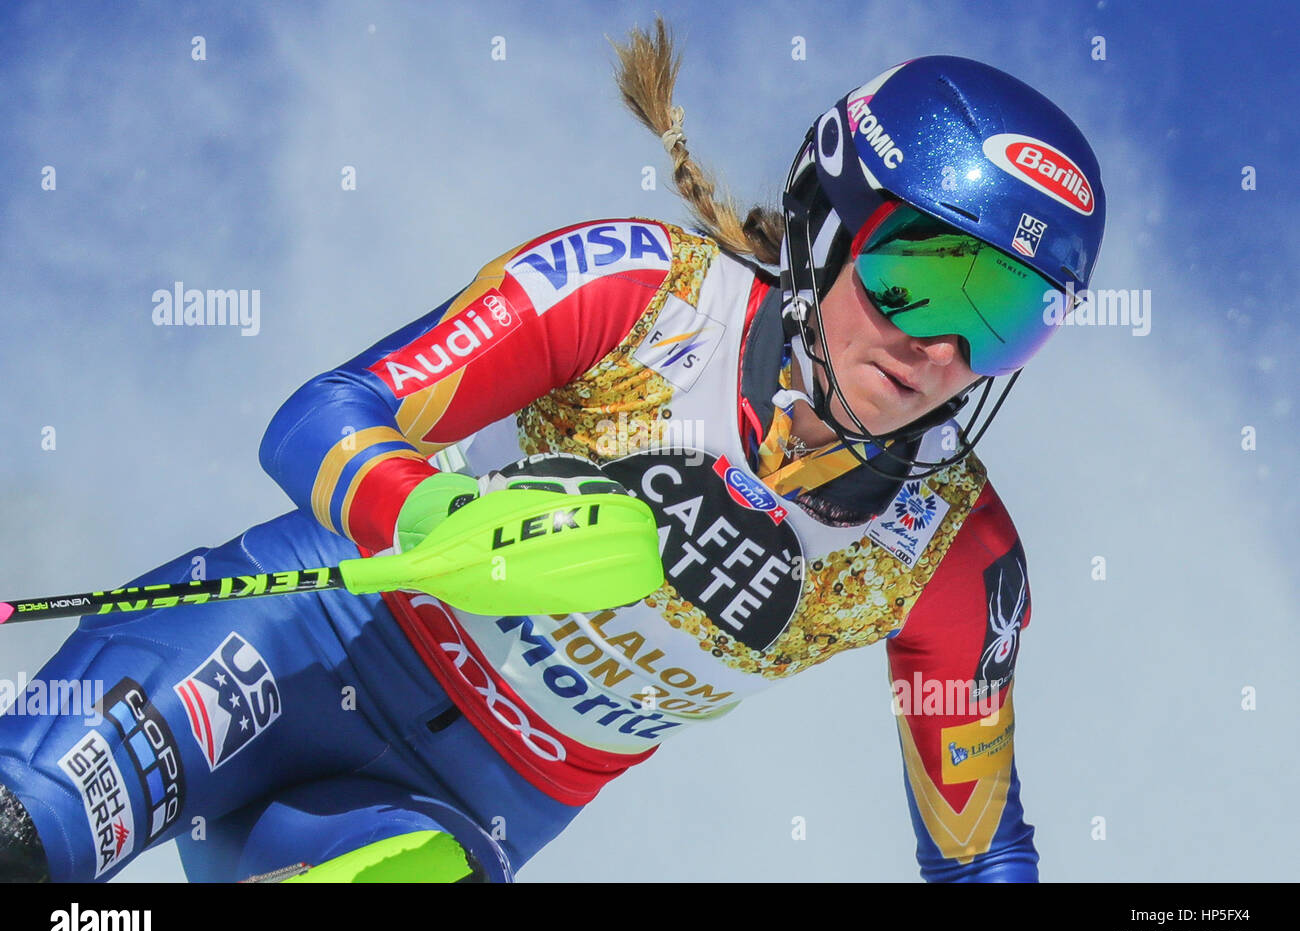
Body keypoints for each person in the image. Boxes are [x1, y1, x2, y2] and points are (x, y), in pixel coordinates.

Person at [0, 20, 1105, 883]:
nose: (940, 349)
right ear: (828, 226)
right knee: (26, 832)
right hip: (290, 642)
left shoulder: (953, 549)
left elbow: (975, 853)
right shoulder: (641, 294)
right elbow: (321, 414)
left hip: (437, 819)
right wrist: (434, 520)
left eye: (1005, 316)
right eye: (918, 275)